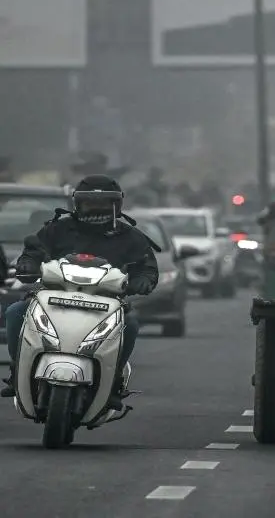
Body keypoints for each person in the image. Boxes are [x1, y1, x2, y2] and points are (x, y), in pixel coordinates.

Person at [2, 175, 158, 409]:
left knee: (131, 325)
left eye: (104, 204)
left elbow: (146, 266)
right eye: (90, 203)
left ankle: (113, 382)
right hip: (52, 298)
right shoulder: (57, 228)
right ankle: (18, 373)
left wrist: (144, 280)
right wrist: (27, 265)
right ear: (77, 203)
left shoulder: (131, 236)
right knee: (15, 313)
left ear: (117, 205)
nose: (97, 208)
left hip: (107, 302)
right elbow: (34, 250)